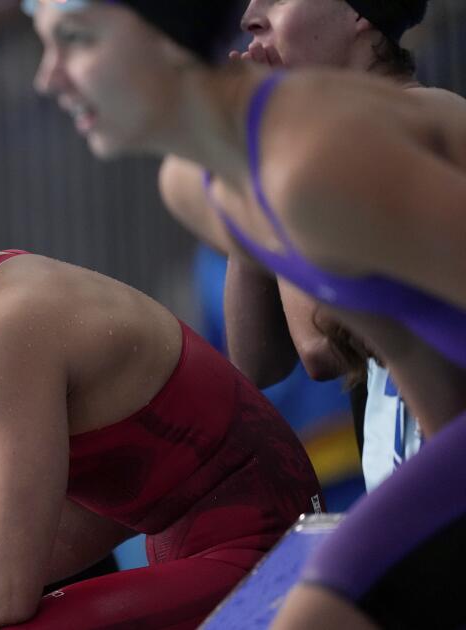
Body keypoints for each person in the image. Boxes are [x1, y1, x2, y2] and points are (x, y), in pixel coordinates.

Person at [0, 105, 321, 629]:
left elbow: (1, 595)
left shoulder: (3, 328)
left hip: (262, 550)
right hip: (225, 539)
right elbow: (112, 499)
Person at [26, 0, 466, 626]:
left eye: (75, 40)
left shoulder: (315, 162)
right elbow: (402, 346)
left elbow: (333, 345)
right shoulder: (194, 184)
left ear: (167, 38)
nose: (49, 78)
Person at [160, 0, 450, 494]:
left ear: (359, 13)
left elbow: (319, 342)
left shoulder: (423, 120)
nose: (250, 16)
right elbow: (257, 361)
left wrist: (264, 137)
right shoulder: (329, 140)